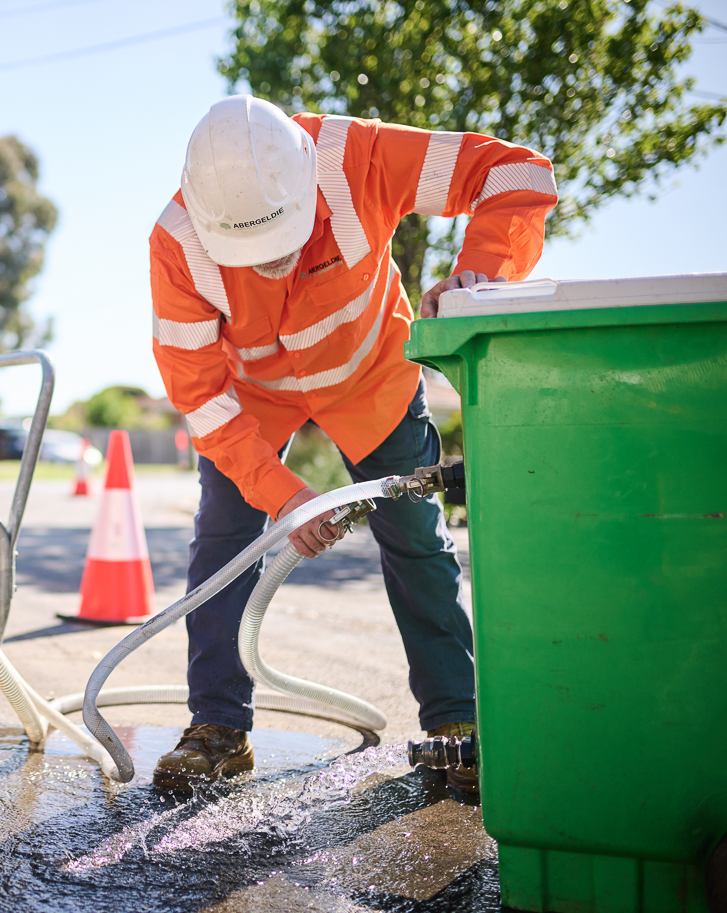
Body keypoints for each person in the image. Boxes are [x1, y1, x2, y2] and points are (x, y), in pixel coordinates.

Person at [149, 95, 558, 794]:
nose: (270, 262)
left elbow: (516, 174)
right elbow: (199, 395)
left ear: (306, 175)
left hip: (371, 374)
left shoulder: (357, 157)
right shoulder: (178, 240)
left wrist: (483, 275)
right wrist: (283, 496)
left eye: (282, 241)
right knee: (224, 539)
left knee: (416, 541)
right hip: (255, 394)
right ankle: (217, 727)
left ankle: (456, 726)